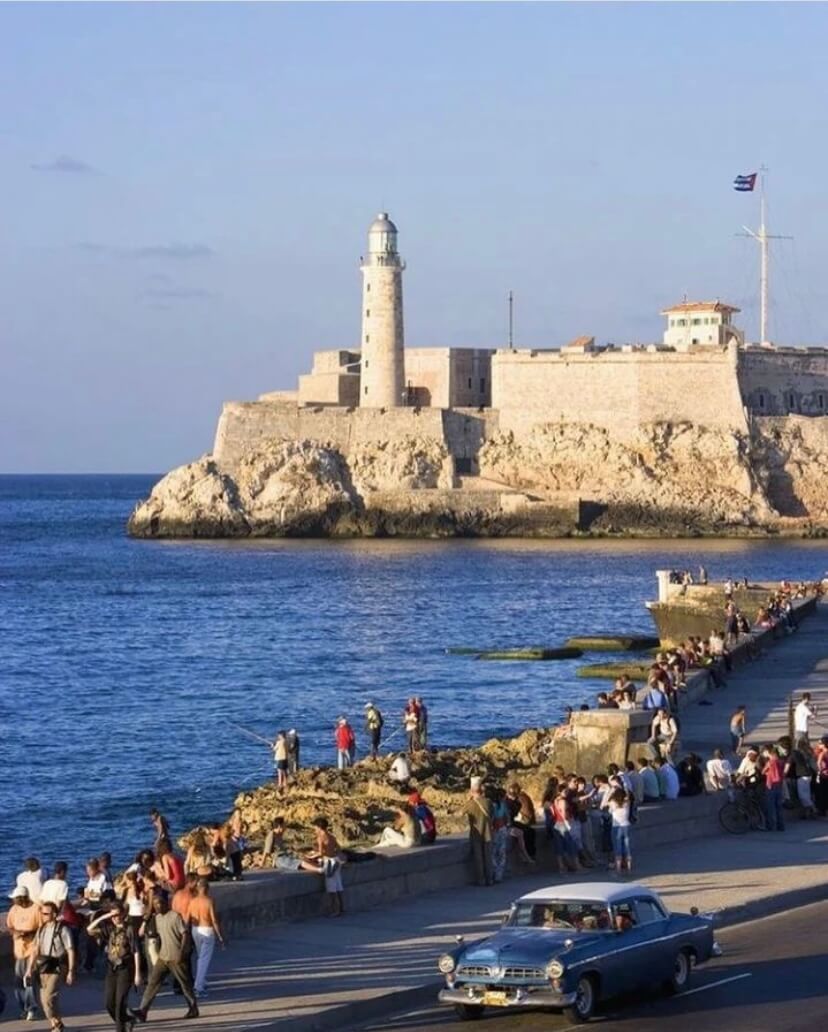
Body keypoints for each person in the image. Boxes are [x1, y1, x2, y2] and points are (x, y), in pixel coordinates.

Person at [129, 891, 198, 1022]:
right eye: (155, 904)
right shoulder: (157, 918)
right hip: (163, 956)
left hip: (176, 956)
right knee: (153, 983)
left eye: (160, 903)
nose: (158, 906)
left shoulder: (175, 916)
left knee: (185, 984)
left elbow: (185, 934)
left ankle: (193, 1007)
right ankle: (143, 1011)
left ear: (166, 903)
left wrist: (182, 953)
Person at [88, 901, 142, 1032]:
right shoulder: (109, 928)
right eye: (113, 916)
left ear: (123, 914)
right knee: (109, 1003)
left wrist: (137, 974)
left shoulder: (129, 929)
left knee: (120, 1003)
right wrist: (104, 917)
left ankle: (121, 1028)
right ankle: (127, 1020)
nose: (115, 918)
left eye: (117, 915)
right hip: (112, 969)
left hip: (125, 968)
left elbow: (136, 951)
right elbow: (89, 930)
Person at [26, 900, 75, 1032]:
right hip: (43, 966)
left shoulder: (63, 929)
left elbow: (70, 950)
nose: (43, 916)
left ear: (54, 914)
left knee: (49, 998)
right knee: (44, 1000)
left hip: (57, 966)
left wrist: (70, 970)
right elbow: (35, 950)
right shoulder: (41, 929)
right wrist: (29, 969)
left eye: (46, 913)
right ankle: (56, 1023)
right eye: (42, 913)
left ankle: (56, 1024)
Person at [7, 885, 41, 1022]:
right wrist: (16, 933)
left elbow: (42, 928)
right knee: (18, 982)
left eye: (15, 898)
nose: (13, 901)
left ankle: (32, 1008)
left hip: (32, 949)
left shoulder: (36, 909)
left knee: (29, 980)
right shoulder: (14, 910)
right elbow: (9, 926)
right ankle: (23, 1008)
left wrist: (29, 933)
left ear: (22, 898)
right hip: (18, 950)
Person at [187, 879, 224, 998]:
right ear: (207, 888)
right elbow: (213, 920)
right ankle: (198, 987)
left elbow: (188, 917)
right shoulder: (209, 901)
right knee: (204, 959)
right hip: (206, 929)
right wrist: (220, 936)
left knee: (200, 957)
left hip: (195, 929)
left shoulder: (192, 901)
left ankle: (201, 981)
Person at [308, 817, 345, 916]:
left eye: (315, 827)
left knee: (331, 888)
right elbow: (338, 848)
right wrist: (332, 852)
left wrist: (311, 856)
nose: (315, 829)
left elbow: (320, 852)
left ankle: (334, 910)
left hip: (328, 863)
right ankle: (341, 908)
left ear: (319, 827)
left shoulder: (320, 838)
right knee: (338, 886)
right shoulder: (331, 836)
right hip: (336, 861)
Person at [467, 777, 493, 886]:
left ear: (472, 791)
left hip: (475, 833)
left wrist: (469, 799)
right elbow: (492, 813)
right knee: (488, 857)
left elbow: (463, 813)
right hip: (487, 832)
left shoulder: (470, 804)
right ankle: (490, 879)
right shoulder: (488, 802)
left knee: (478, 858)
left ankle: (481, 880)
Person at [607, 788, 632, 873]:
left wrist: (611, 793)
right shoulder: (627, 803)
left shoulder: (613, 803)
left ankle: (618, 867)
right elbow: (628, 796)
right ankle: (629, 866)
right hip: (626, 825)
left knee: (617, 847)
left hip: (616, 826)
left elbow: (608, 802)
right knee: (627, 846)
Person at [489, 787, 510, 883]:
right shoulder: (503, 805)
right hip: (502, 829)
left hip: (495, 829)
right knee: (501, 852)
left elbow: (491, 819)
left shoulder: (493, 805)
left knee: (494, 852)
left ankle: (494, 872)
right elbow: (507, 818)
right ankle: (499, 874)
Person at [763, 745, 786, 831]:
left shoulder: (770, 762)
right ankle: (781, 826)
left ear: (769, 752)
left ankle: (771, 826)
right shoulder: (781, 761)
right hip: (779, 784)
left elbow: (763, 771)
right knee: (779, 807)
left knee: (770, 807)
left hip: (771, 784)